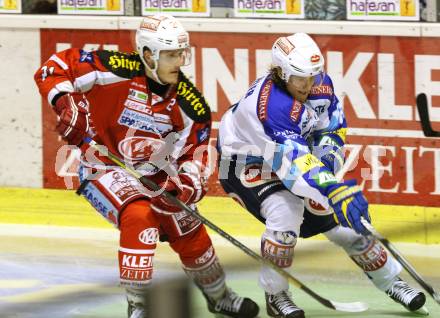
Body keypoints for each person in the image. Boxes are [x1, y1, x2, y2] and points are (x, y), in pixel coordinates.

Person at [34, 14, 259, 318]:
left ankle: (219, 296)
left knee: (188, 226)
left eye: (182, 53)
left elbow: (196, 157)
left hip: (156, 176)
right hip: (102, 164)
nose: (179, 61)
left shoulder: (191, 105)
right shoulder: (113, 68)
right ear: (148, 54)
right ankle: (138, 306)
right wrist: (65, 102)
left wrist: (184, 186)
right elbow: (53, 68)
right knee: (138, 215)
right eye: (170, 54)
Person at [217, 33, 427, 318]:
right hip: (245, 162)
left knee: (343, 221)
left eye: (314, 76)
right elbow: (294, 166)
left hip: (293, 156)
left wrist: (327, 163)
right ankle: (276, 294)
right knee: (285, 212)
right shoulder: (270, 108)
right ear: (280, 73)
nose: (309, 86)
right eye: (301, 79)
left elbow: (332, 128)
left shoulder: (318, 83)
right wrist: (333, 189)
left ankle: (391, 281)